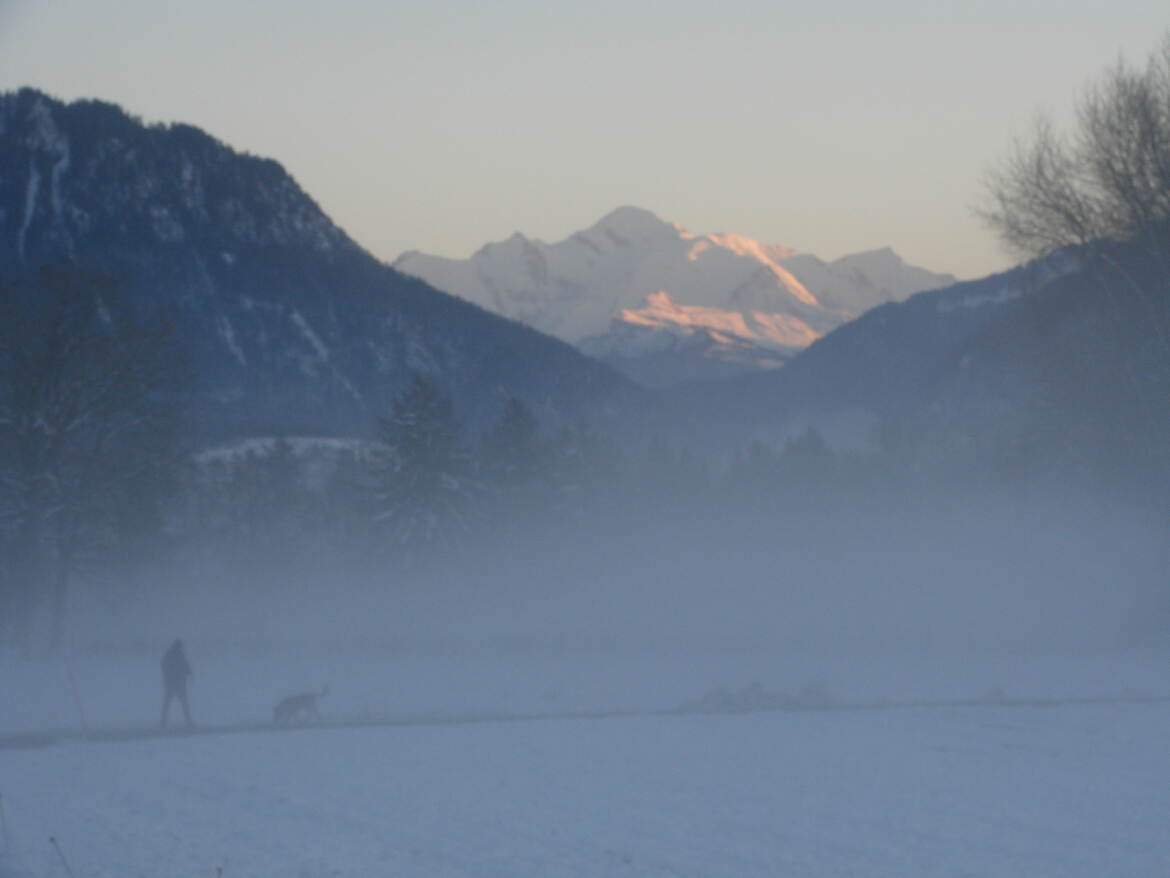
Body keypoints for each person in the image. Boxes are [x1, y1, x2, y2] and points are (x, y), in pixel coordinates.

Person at [160, 639, 193, 728]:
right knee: (184, 704)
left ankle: (163, 722)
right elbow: (188, 668)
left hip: (171, 684)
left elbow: (163, 665)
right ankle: (189, 722)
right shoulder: (180, 655)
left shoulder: (169, 654)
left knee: (167, 704)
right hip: (178, 684)